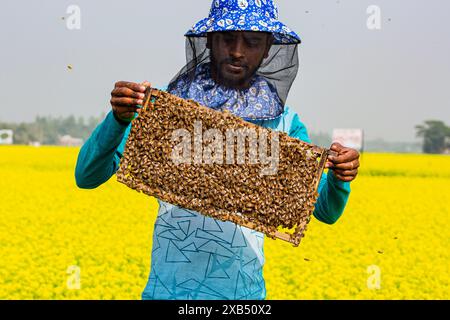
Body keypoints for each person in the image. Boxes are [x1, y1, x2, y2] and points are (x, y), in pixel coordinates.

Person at [75, 0, 360, 300]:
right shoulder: (165, 111)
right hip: (167, 294)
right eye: (227, 38)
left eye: (251, 42)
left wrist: (341, 178)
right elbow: (86, 175)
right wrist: (118, 120)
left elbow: (325, 212)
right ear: (210, 40)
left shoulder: (285, 124)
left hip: (244, 298)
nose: (237, 51)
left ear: (267, 48)